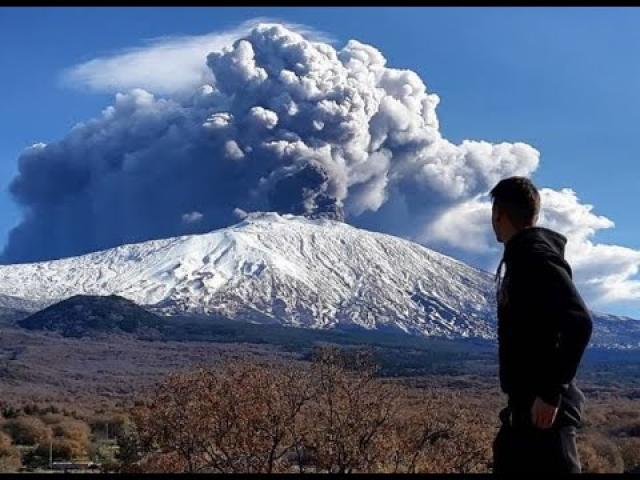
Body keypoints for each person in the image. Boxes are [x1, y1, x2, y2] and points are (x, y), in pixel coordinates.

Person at [489, 176, 593, 473]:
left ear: (498, 214)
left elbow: (579, 321)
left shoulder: (534, 256)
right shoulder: (524, 256)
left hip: (545, 415)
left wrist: (550, 393)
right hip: (527, 412)